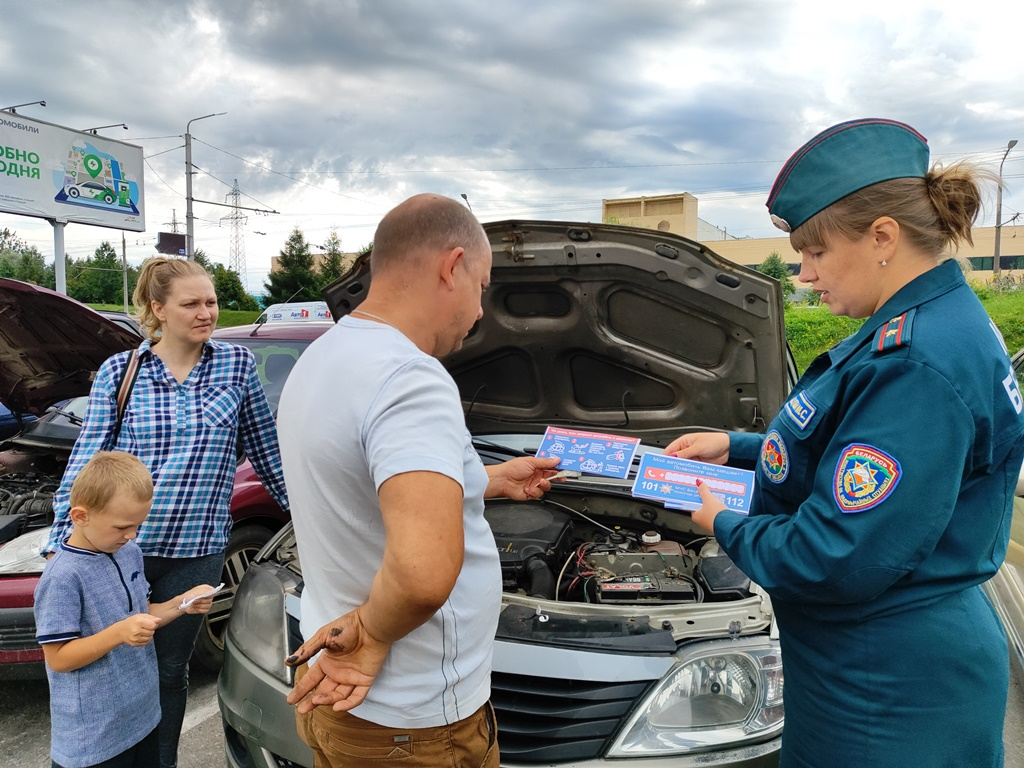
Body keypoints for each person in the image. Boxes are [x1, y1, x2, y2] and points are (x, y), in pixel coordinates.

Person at [666, 118, 1024, 767]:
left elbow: (837, 553)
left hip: (886, 692)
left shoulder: (917, 360)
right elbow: (859, 445)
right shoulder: (937, 322)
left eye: (817, 252)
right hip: (883, 667)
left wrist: (728, 524)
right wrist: (737, 445)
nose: (804, 275)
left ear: (882, 237)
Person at [279, 193, 561, 767]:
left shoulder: (323, 355)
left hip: (345, 709)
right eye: (481, 286)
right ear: (451, 265)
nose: (481, 310)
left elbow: (364, 489)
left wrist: (484, 479)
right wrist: (373, 639)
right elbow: (424, 573)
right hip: (412, 723)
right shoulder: (411, 377)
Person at [42, 256, 290, 768]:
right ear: (158, 309)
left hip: (195, 550)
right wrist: (61, 537)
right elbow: (89, 456)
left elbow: (269, 454)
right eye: (191, 303)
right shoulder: (122, 369)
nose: (206, 313)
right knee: (112, 662)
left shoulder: (236, 366)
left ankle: (161, 762)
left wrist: (313, 519)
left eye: (212, 302)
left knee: (168, 668)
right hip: (120, 548)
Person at [35, 451, 216, 768]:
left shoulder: (128, 551)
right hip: (94, 738)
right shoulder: (62, 577)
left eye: (137, 525)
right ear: (80, 516)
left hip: (142, 716)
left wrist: (182, 603)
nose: (132, 535)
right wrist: (118, 633)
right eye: (122, 527)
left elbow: (143, 613)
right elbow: (59, 658)